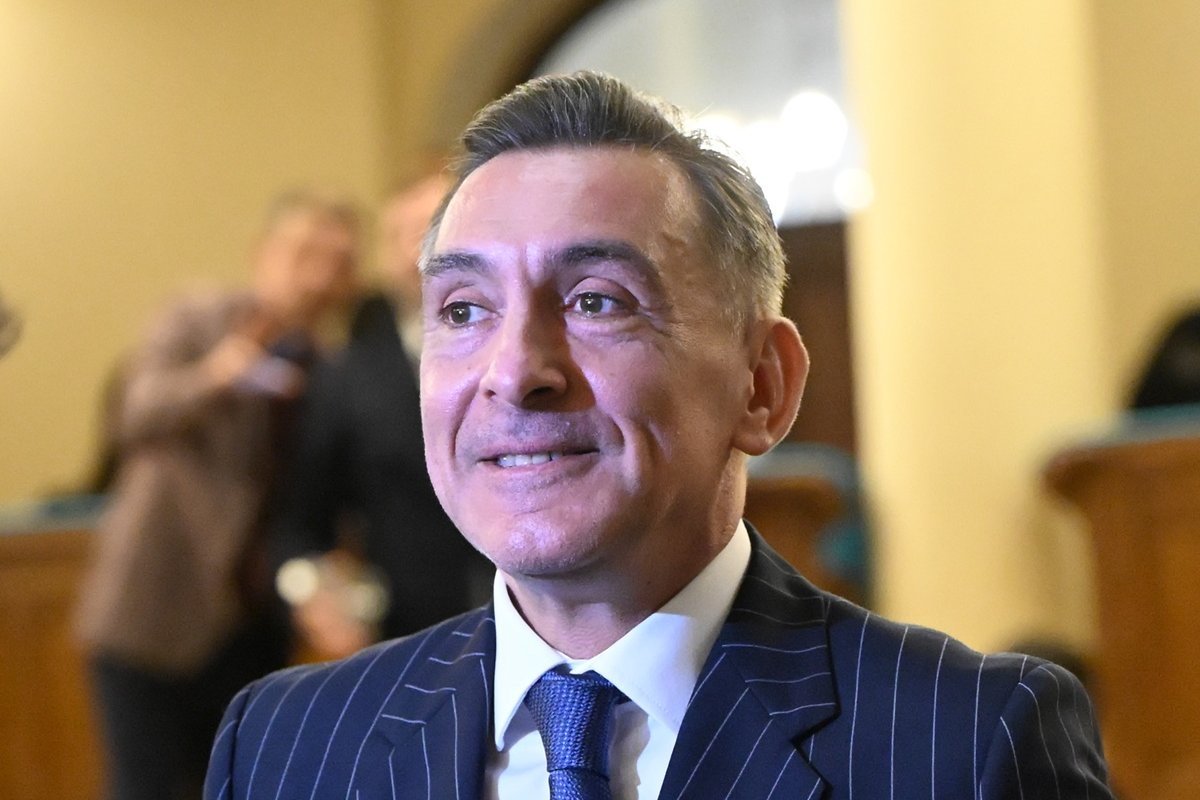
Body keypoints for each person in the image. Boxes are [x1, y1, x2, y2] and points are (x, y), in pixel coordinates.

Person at [205, 72, 1112, 799]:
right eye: (465, 309)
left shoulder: (969, 744)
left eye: (596, 301)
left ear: (763, 386)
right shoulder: (284, 746)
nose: (514, 372)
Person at [76, 190, 359, 800]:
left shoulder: (332, 370)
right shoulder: (198, 317)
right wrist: (218, 373)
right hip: (151, 606)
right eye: (303, 254)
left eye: (336, 263)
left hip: (248, 623)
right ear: (262, 253)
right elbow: (133, 414)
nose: (317, 277)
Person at [269, 174, 490, 659]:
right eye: (403, 237)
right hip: (413, 639)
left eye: (437, 230)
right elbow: (301, 524)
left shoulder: (524, 356)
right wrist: (314, 592)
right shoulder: (347, 374)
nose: (421, 255)